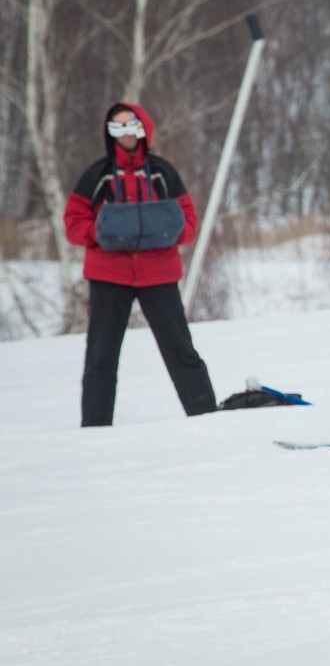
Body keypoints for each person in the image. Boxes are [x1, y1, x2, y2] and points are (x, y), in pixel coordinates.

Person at [62, 102, 217, 426]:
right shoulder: (97, 175)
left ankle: (206, 419)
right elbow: (73, 222)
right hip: (109, 275)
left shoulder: (163, 173)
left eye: (130, 125)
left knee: (180, 351)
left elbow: (189, 221)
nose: (125, 133)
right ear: (110, 134)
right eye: (116, 127)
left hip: (158, 274)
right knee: (101, 357)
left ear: (143, 127)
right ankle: (95, 428)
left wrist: (170, 232)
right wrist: (102, 233)